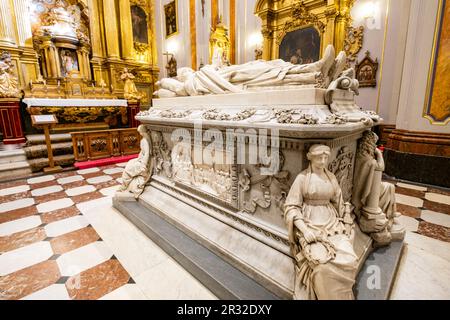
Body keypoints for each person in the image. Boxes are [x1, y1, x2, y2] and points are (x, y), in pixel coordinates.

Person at [284, 144, 357, 300]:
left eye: (325, 157)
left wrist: (347, 221)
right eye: (319, 157)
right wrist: (305, 230)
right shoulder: (302, 178)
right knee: (322, 265)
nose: (323, 161)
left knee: (349, 259)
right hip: (310, 223)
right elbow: (291, 207)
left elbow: (339, 201)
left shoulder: (331, 177)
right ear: (310, 157)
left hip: (332, 223)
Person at [154, 44, 338, 97]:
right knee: (264, 74)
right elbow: (172, 88)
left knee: (268, 64)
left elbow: (218, 64)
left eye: (187, 69)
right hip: (232, 80)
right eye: (184, 71)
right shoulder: (189, 83)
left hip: (229, 73)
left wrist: (217, 61)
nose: (187, 71)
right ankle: (313, 74)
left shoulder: (204, 72)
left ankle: (315, 68)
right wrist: (163, 82)